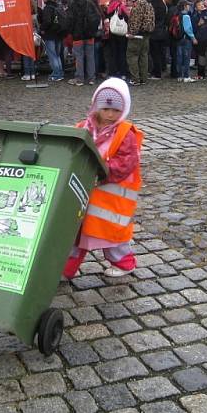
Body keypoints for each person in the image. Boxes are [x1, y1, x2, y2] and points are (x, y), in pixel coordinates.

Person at [62, 78, 143, 279]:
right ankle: (64, 269)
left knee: (112, 237)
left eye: (116, 110)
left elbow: (126, 162)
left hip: (110, 199)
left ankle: (125, 264)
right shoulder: (83, 127)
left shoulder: (125, 133)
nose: (110, 115)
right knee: (73, 234)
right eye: (105, 109)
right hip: (83, 192)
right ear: (96, 106)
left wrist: (100, 171)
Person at [67, 0, 100, 86]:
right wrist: (93, 30)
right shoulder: (90, 3)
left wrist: (71, 31)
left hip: (77, 36)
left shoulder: (73, 4)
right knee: (90, 56)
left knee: (79, 57)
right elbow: (97, 17)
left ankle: (79, 78)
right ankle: (91, 79)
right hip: (89, 35)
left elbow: (70, 20)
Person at [125, 0, 155, 86]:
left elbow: (135, 19)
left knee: (132, 55)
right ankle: (143, 78)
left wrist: (131, 32)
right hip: (146, 33)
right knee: (144, 56)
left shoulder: (139, 3)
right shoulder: (149, 2)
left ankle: (135, 79)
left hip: (137, 35)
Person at [39, 0, 65, 81]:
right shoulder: (59, 7)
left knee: (52, 55)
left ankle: (56, 74)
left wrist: (42, 28)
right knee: (57, 55)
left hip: (50, 34)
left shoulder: (47, 8)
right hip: (59, 34)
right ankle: (60, 73)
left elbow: (47, 21)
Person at [107, 0, 130, 78]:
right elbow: (127, 16)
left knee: (113, 53)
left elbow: (108, 15)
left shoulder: (110, 5)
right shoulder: (121, 5)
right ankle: (122, 72)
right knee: (122, 52)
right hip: (121, 32)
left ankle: (112, 72)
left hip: (112, 31)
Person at [174, 0, 197, 83]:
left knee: (179, 58)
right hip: (186, 39)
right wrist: (193, 38)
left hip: (178, 38)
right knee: (186, 58)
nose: (189, 7)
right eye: (188, 5)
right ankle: (186, 76)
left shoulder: (177, 15)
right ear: (184, 6)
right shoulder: (186, 16)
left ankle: (179, 76)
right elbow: (188, 29)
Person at [149, 0, 169, 79]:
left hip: (154, 33)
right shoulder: (163, 7)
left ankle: (157, 73)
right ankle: (162, 69)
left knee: (155, 54)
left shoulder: (152, 7)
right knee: (161, 53)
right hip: (163, 32)